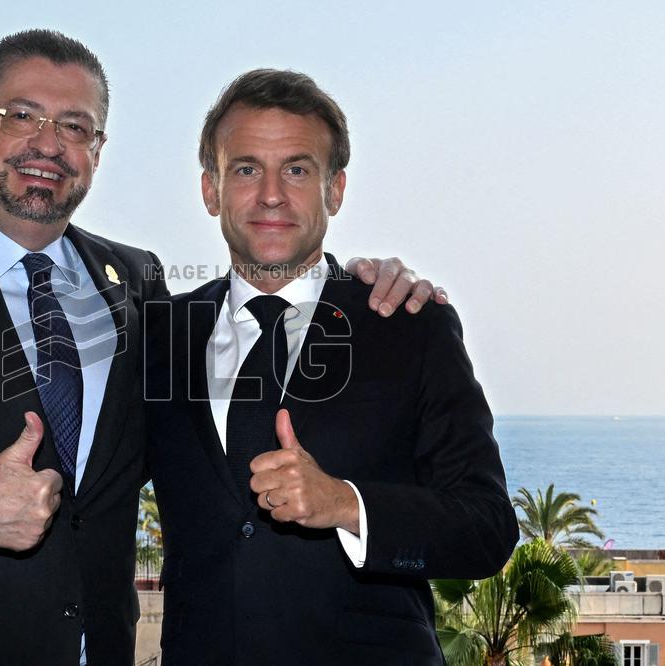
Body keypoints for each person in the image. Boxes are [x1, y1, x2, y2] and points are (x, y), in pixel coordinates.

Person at [0, 30, 439, 665]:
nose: (48, 143)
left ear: (97, 150)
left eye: (75, 127)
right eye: (22, 115)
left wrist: (365, 286)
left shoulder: (138, 279)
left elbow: (213, 415)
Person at [144, 69, 519, 665]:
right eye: (245, 169)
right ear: (210, 190)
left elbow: (487, 529)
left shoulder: (409, 324)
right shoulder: (158, 333)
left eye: (297, 169)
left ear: (335, 189)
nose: (271, 194)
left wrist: (345, 503)